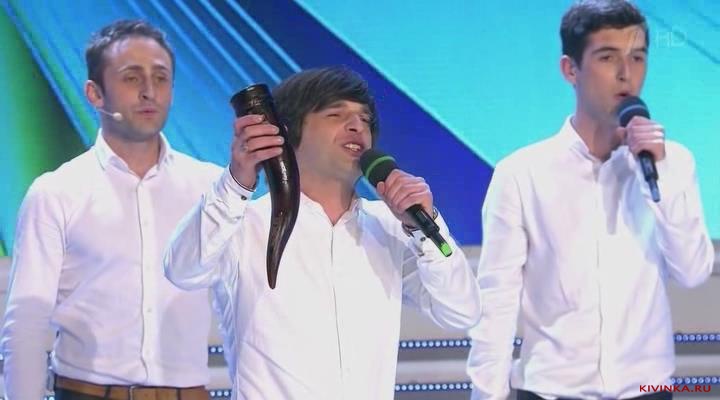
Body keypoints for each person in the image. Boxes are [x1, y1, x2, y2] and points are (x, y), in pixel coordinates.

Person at [163, 66, 482, 400]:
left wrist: (423, 225)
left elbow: (463, 311)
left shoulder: (390, 227)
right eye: (335, 114)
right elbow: (182, 270)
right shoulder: (244, 225)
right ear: (286, 133)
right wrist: (234, 183)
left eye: (365, 119)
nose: (357, 126)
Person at [467, 1, 714, 399]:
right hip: (550, 391)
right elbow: (495, 305)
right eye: (607, 57)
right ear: (570, 70)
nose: (626, 73)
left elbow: (692, 271)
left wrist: (661, 174)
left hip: (646, 390)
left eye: (638, 58)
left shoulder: (673, 163)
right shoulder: (521, 174)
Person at [1, 19, 221, 400]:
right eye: (132, 78)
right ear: (95, 94)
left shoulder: (212, 188)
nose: (149, 91)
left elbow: (247, 308)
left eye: (161, 78)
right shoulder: (57, 192)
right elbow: (27, 321)